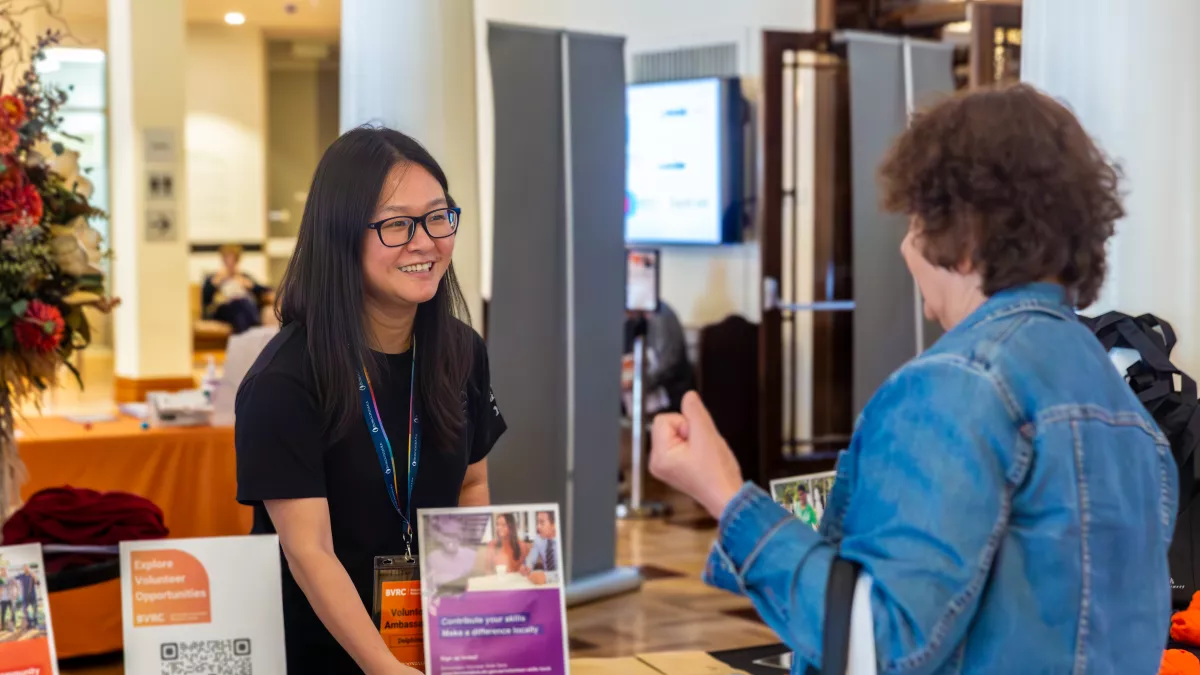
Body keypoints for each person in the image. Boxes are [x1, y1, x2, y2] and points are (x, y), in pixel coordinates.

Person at [648, 84, 1175, 674]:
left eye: (919, 220)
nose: (905, 245)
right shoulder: (1128, 411)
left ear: (967, 235)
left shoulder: (960, 385)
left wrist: (724, 493)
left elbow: (877, 644)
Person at [235, 127, 506, 675]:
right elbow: (309, 551)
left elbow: (471, 483)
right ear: (340, 236)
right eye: (397, 225)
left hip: (429, 645)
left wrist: (467, 623)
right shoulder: (284, 380)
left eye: (437, 216)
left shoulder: (461, 352)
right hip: (316, 652)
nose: (425, 241)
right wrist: (384, 667)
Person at [202, 244, 271, 334]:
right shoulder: (214, 278)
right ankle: (255, 328)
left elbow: (265, 290)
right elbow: (204, 299)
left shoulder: (244, 277)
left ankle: (244, 336)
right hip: (224, 309)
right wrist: (214, 284)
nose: (230, 262)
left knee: (241, 310)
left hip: (243, 308)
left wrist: (251, 286)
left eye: (233, 259)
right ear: (223, 260)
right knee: (241, 304)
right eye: (227, 259)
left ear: (237, 260)